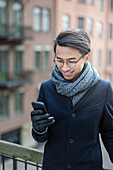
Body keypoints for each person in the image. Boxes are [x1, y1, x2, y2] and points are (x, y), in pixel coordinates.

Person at [31, 28, 113, 170]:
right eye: (59, 60)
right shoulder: (46, 88)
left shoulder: (104, 89)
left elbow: (110, 132)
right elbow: (40, 138)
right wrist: (39, 129)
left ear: (86, 58)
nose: (64, 68)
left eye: (71, 61)